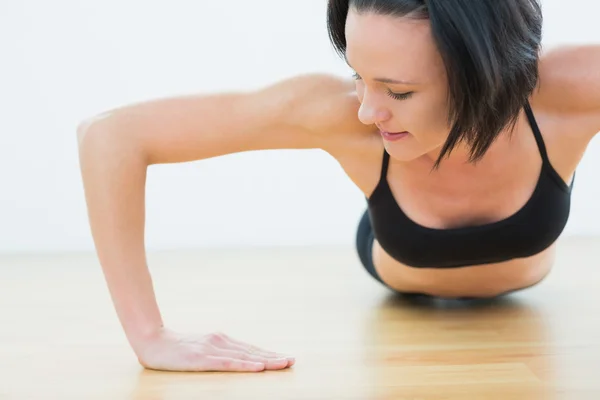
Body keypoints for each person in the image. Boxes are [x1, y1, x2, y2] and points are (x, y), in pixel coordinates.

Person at [76, 0, 600, 373]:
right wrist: (150, 338)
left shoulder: (568, 90)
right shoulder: (338, 116)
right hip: (395, 264)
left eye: (397, 90)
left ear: (483, 72)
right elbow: (110, 136)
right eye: (357, 75)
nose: (368, 110)